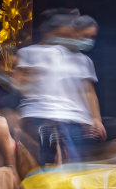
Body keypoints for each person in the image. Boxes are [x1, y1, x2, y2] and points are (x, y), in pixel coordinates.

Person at [15, 13, 104, 166]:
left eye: (92, 37)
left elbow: (88, 92)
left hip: (72, 120)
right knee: (39, 161)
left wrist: (95, 118)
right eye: (85, 36)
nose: (88, 41)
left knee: (69, 163)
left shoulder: (83, 60)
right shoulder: (32, 53)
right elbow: (20, 83)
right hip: (39, 116)